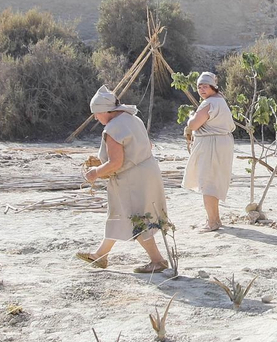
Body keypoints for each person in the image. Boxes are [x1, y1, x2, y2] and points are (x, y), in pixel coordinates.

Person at [79, 86, 170, 272]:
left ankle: (157, 260)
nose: (96, 118)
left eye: (97, 114)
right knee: (120, 213)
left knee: (135, 217)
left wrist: (95, 172)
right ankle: (100, 255)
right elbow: (146, 145)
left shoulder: (114, 127)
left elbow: (116, 162)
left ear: (106, 111)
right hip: (147, 171)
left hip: (132, 178)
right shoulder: (132, 119)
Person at [182, 71, 235, 231]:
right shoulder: (220, 101)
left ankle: (212, 222)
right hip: (222, 142)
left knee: (208, 182)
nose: (202, 90)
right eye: (199, 87)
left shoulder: (209, 103)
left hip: (212, 144)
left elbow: (193, 125)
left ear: (213, 87)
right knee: (213, 181)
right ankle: (215, 219)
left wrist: (191, 117)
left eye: (205, 86)